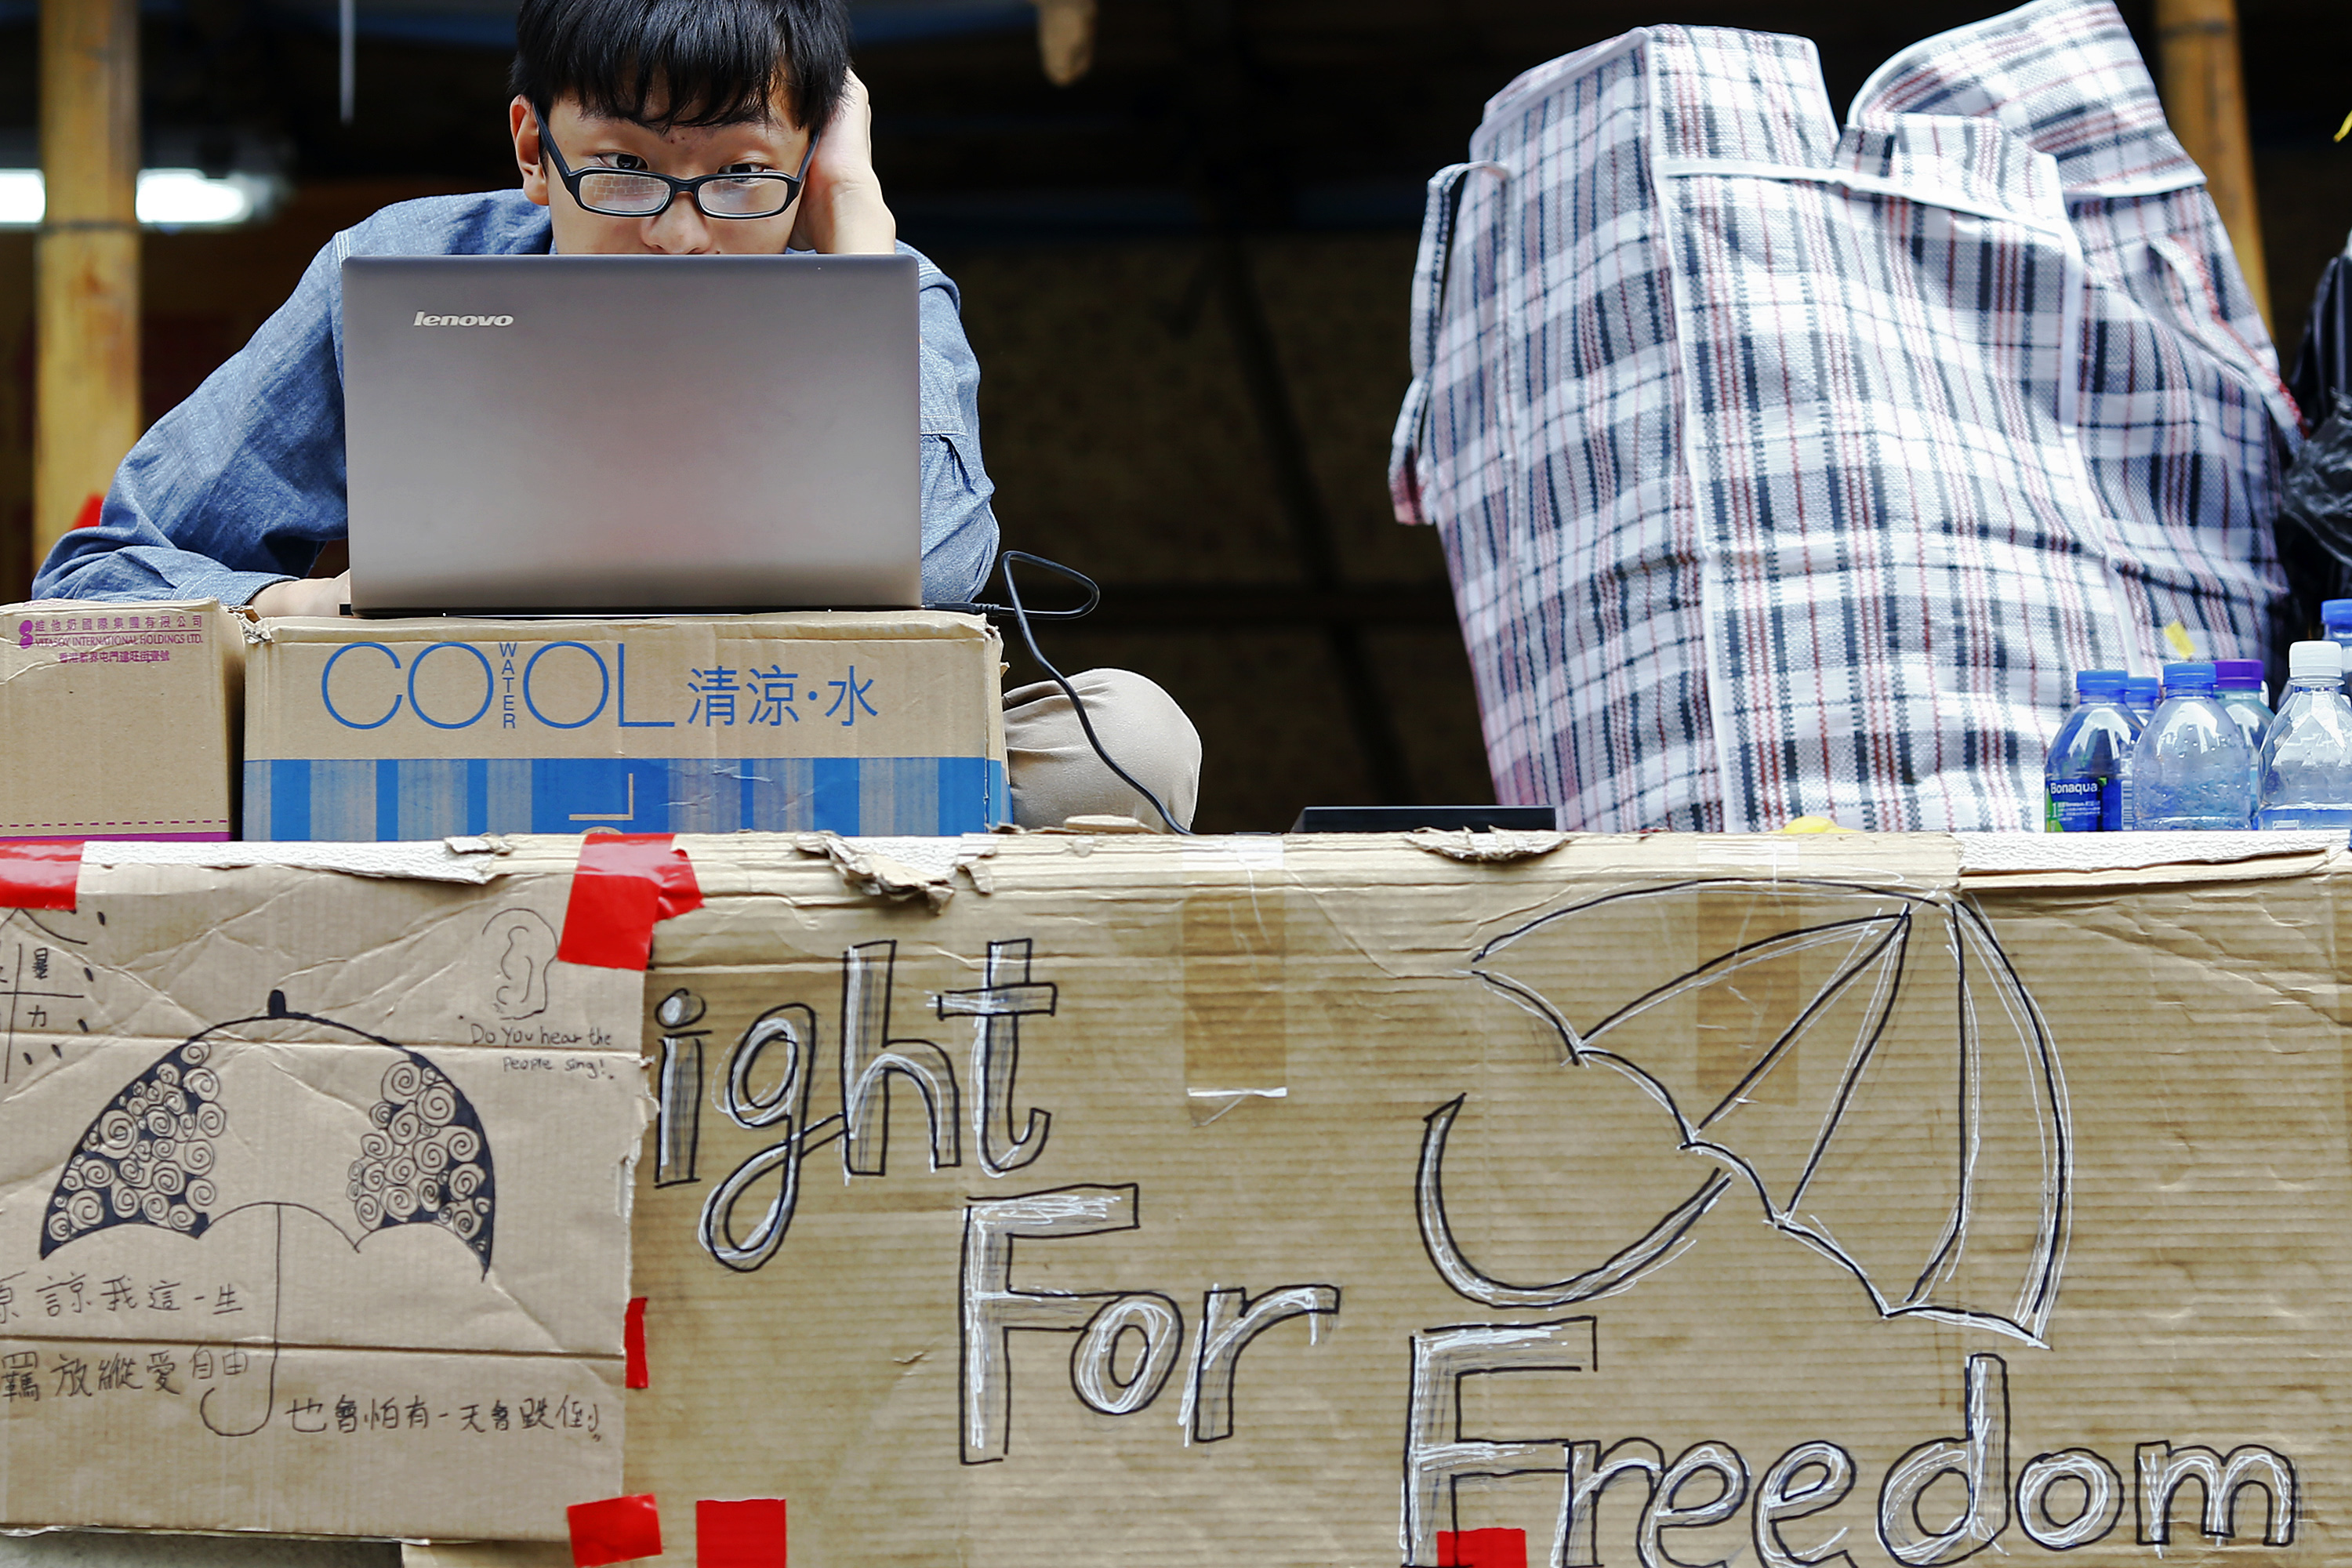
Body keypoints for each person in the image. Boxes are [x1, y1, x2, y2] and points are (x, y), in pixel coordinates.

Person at [32, 0, 1198, 833]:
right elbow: (96, 585)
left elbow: (941, 573)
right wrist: (315, 606)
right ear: (536, 149)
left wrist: (860, 238)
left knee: (1132, 745)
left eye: (744, 176)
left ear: (814, 161)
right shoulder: (396, 269)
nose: (684, 234)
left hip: (775, 751)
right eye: (626, 171)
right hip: (471, 741)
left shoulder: (875, 278)